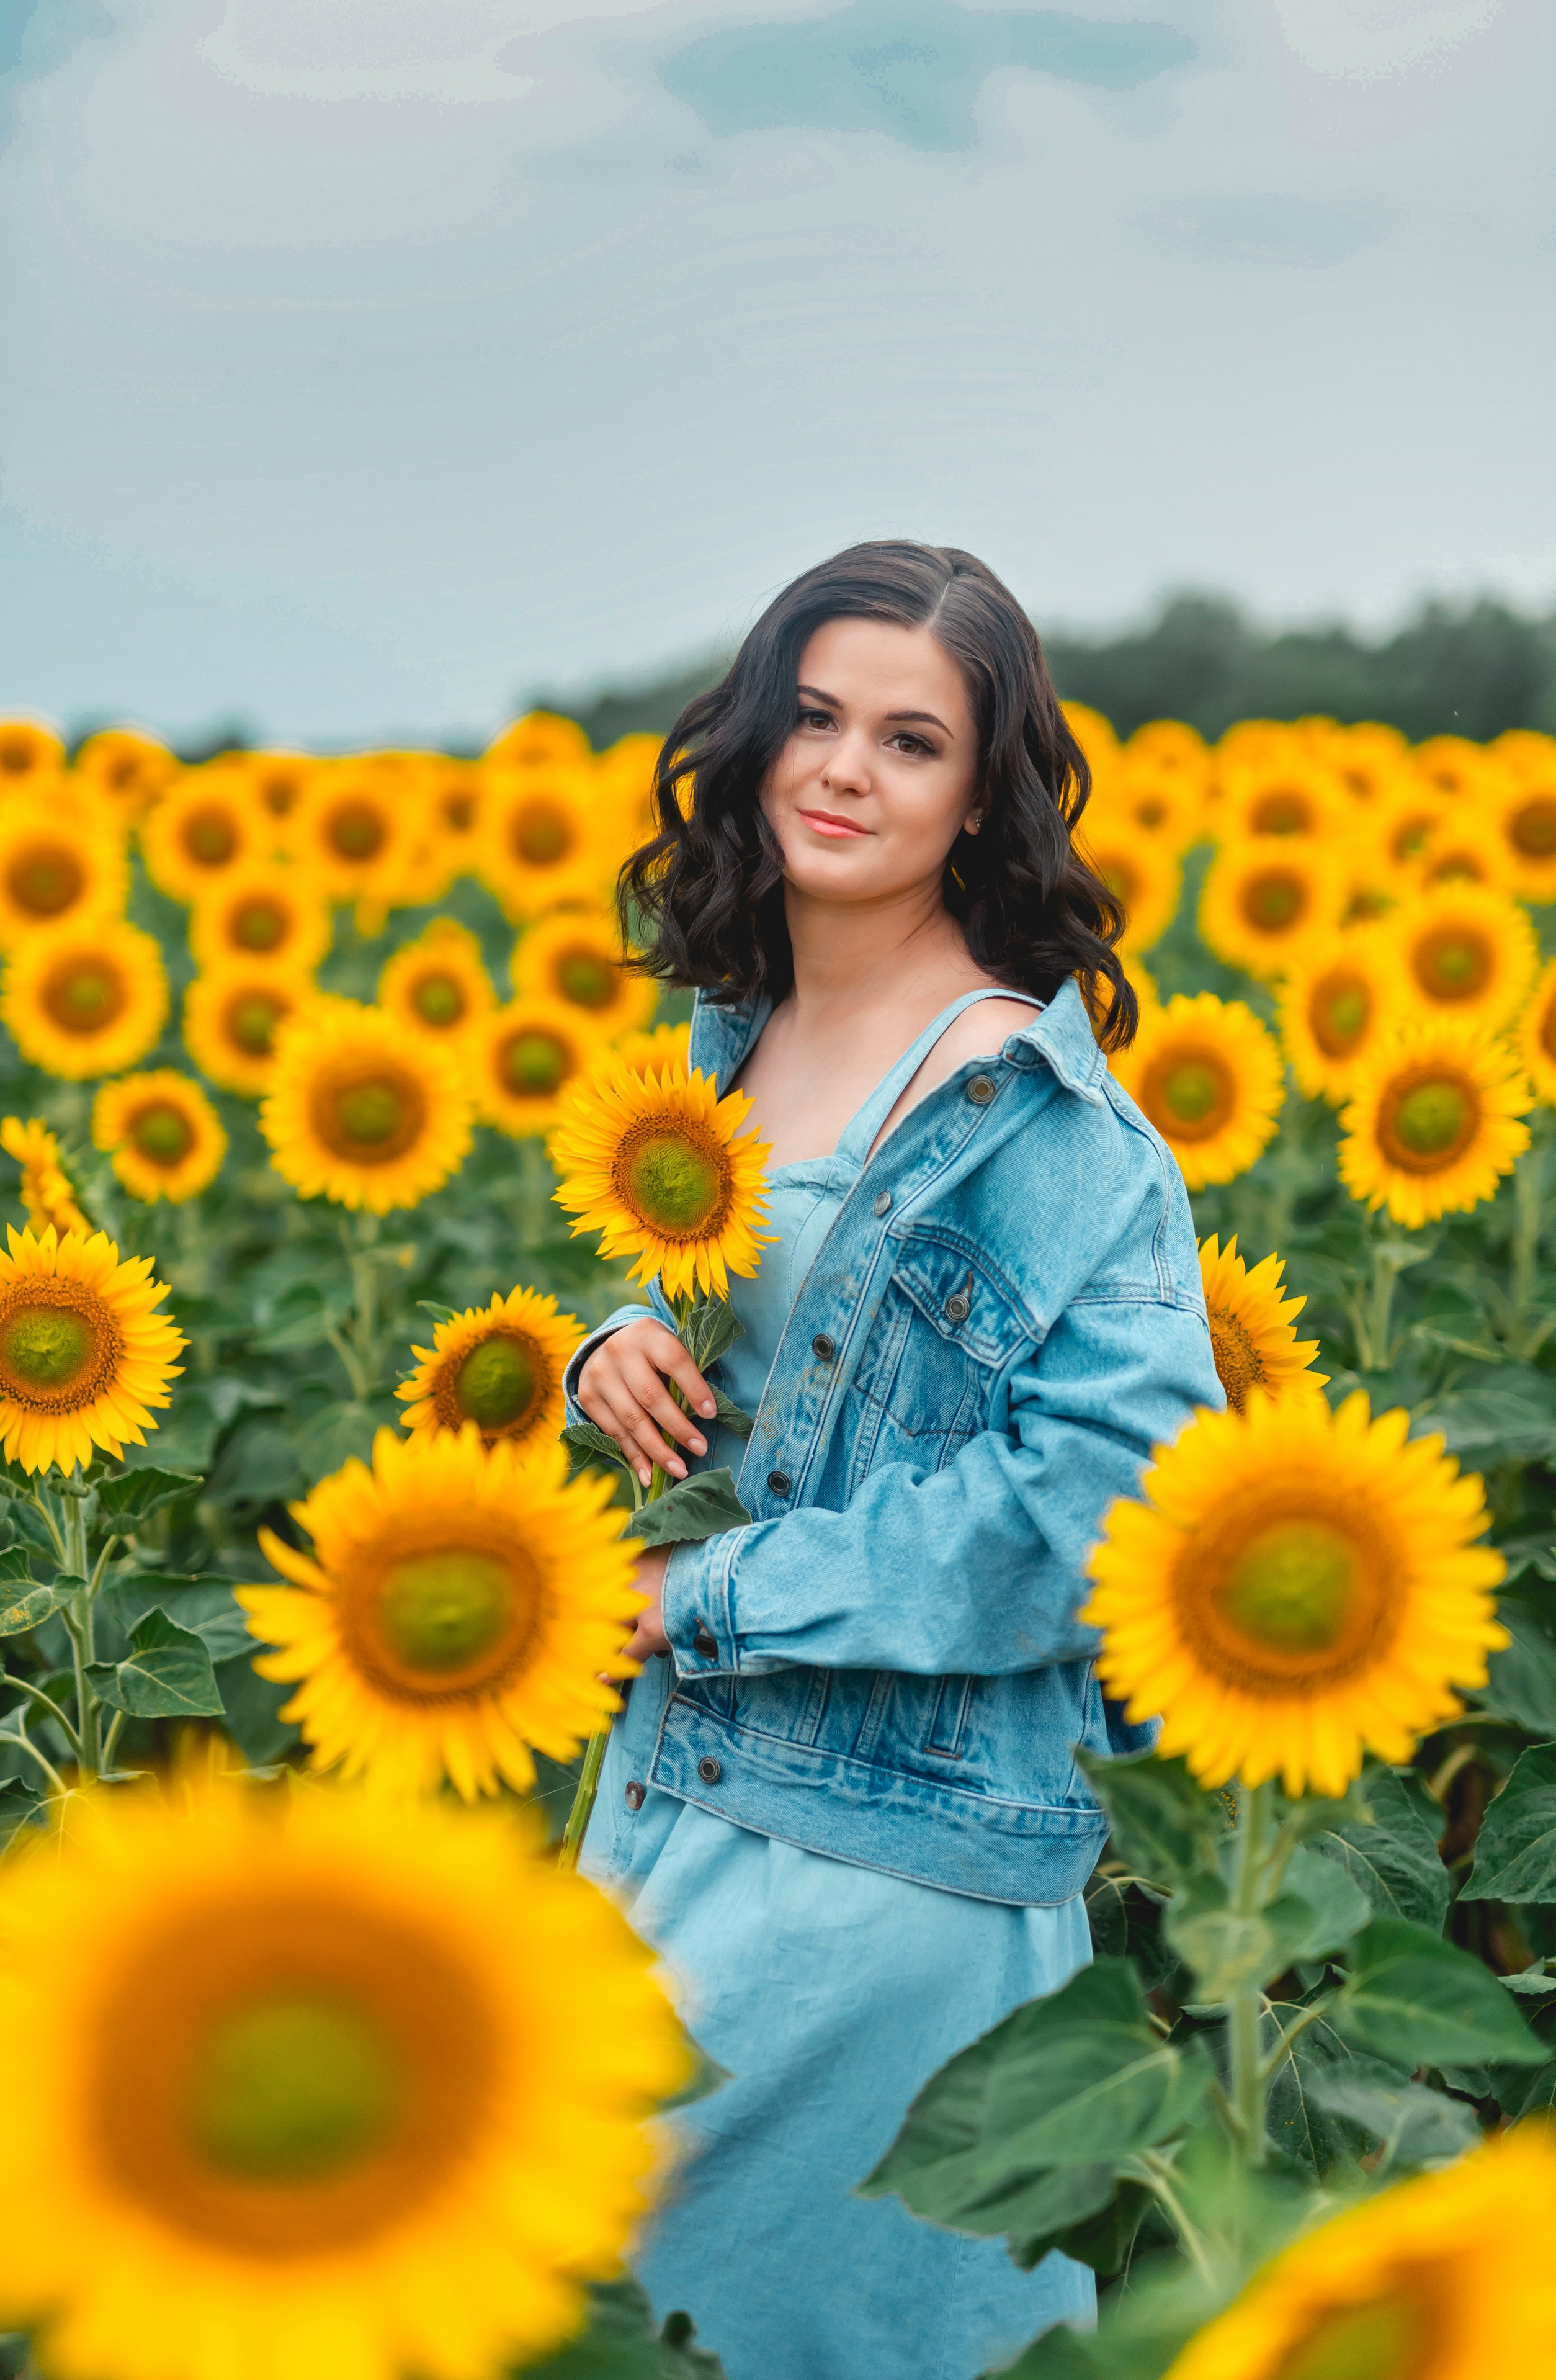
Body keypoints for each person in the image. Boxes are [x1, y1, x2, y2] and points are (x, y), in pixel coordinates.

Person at [566, 541, 1220, 2380]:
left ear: (979, 798)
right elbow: (774, 1346)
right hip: (675, 1795)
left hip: (880, 1866)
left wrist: (706, 1593)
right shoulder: (733, 1027)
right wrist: (604, 1345)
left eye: (911, 740)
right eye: (818, 716)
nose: (844, 769)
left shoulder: (1029, 1109)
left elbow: (1101, 1508)